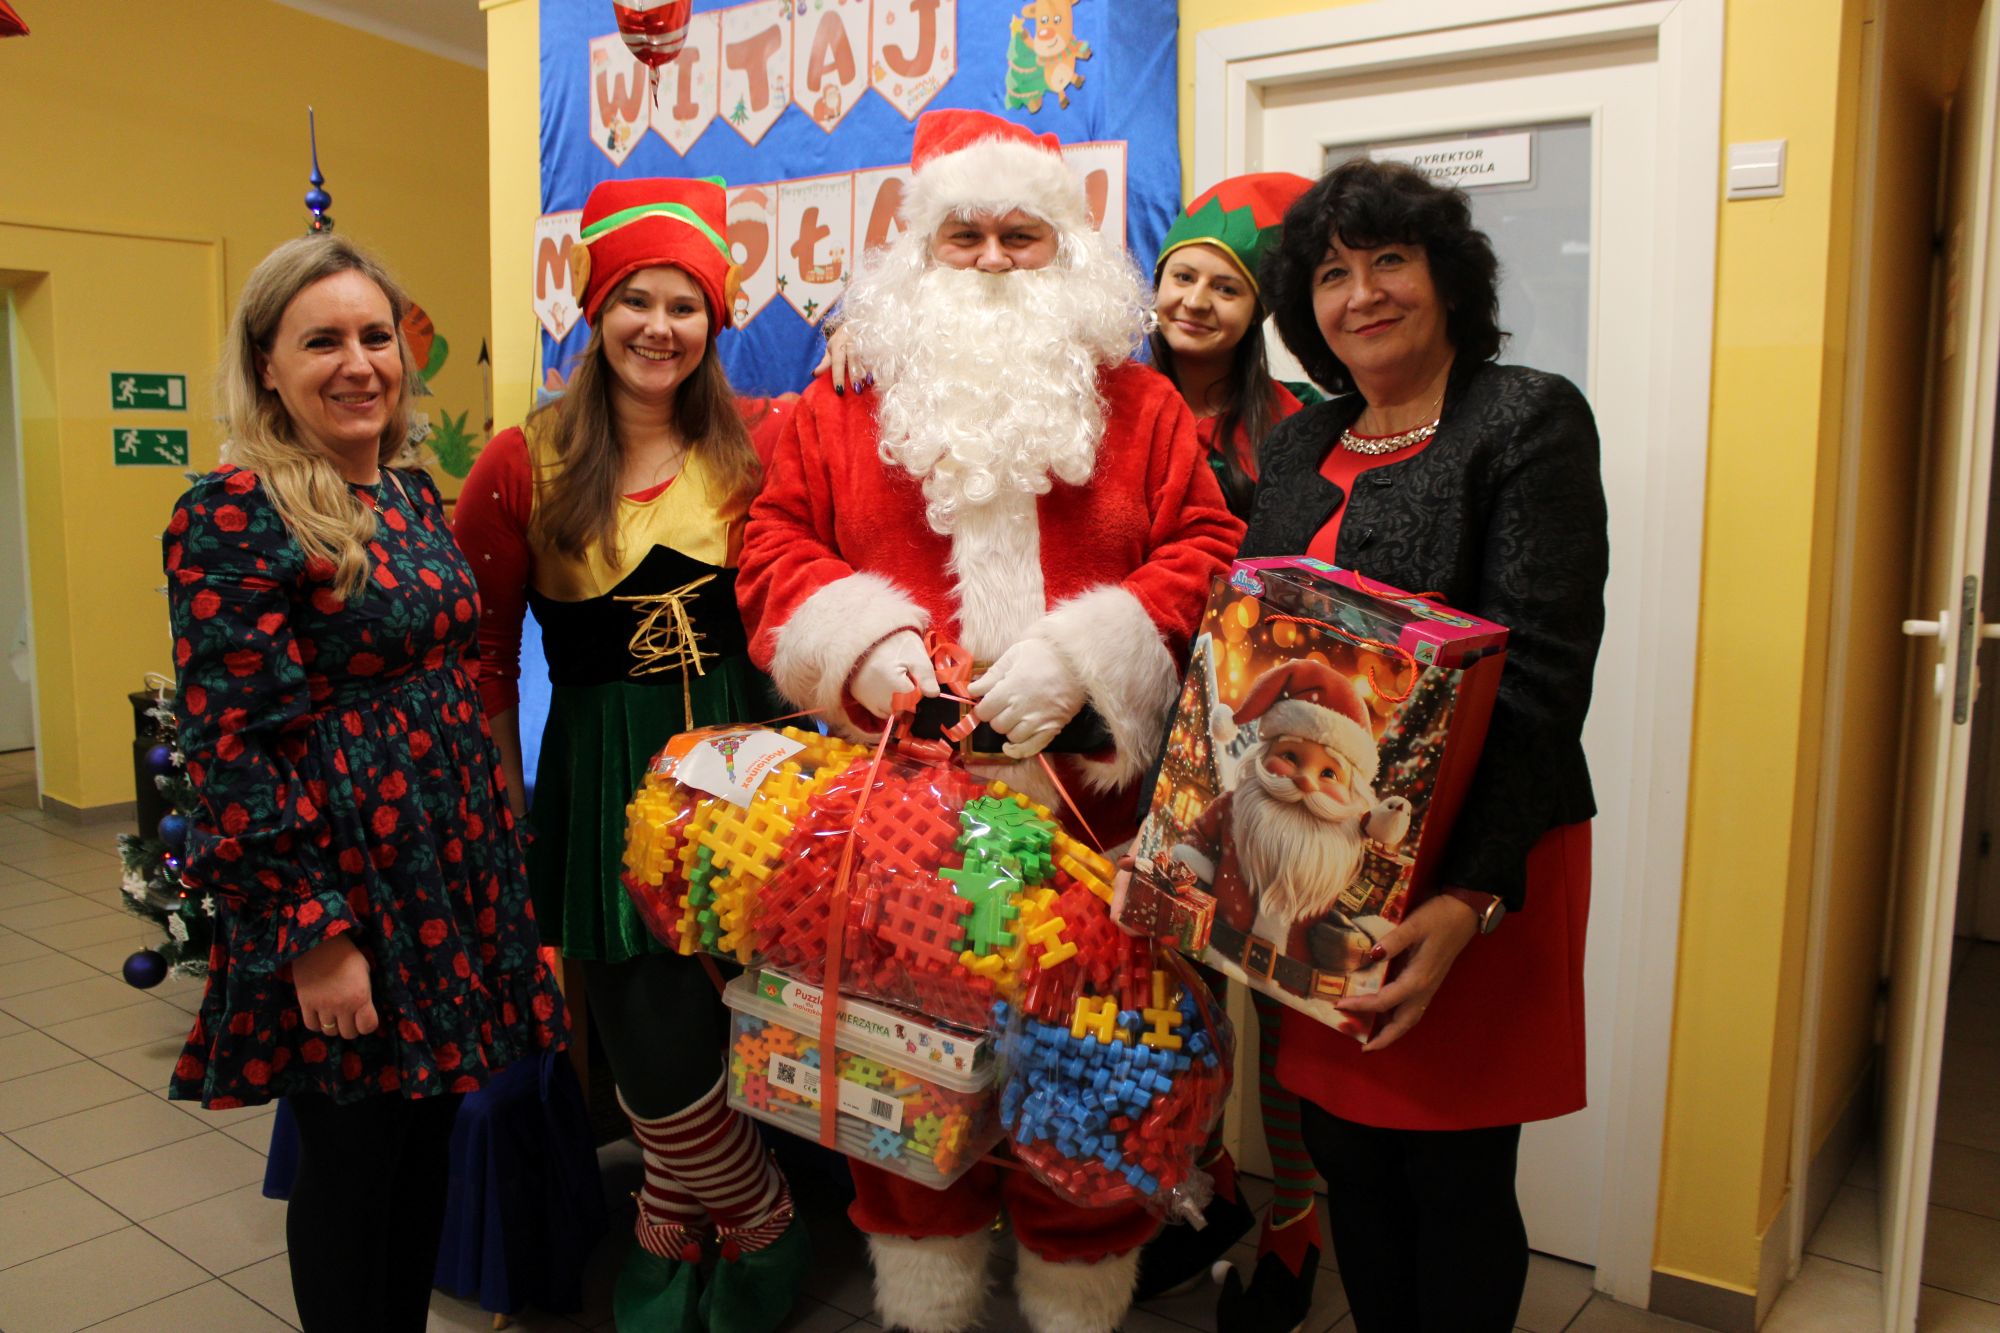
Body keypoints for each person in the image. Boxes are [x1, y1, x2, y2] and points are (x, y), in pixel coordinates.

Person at [738, 108, 1243, 1333]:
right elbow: (773, 546)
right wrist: (869, 646)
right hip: (897, 842)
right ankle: (926, 1313)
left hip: (1093, 844)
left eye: (1022, 235)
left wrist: (1088, 653)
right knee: (906, 1111)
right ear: (920, 250)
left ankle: (1076, 1313)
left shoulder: (1142, 408)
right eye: (962, 235)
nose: (992, 259)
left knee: (1092, 1102)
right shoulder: (840, 405)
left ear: (1068, 250)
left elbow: (1207, 548)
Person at [164, 233, 568, 1333]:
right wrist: (312, 933)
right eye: (322, 341)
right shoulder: (234, 509)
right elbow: (230, 745)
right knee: (351, 1166)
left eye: (376, 336)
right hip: (343, 892)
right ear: (267, 366)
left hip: (444, 879)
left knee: (426, 1145)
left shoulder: (406, 492)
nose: (359, 364)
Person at [1240, 156, 1607, 1332]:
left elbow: (1543, 677)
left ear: (1445, 277)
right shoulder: (1297, 444)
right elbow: (1245, 646)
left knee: (1452, 1170)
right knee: (1346, 1151)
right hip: (1316, 858)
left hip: (1474, 857)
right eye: (1330, 274)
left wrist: (1467, 896)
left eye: (1388, 259)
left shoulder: (1524, 417)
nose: (1361, 294)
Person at [453, 177, 806, 1333]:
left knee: (736, 1008)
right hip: (604, 774)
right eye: (635, 301)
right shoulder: (521, 462)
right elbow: (483, 658)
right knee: (643, 1028)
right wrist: (508, 803)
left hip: (747, 772)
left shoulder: (766, 441)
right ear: (594, 311)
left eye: (683, 305)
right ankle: (760, 1218)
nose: (659, 327)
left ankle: (671, 1217)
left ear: (715, 320)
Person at [1133, 171, 1335, 1333]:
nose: (1194, 302)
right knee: (1174, 986)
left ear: (1257, 309)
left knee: (1283, 991)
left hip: (1261, 745)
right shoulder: (1104, 401)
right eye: (1181, 277)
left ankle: (1296, 1220)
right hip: (1131, 739)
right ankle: (1198, 1189)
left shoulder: (1301, 423)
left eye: (1225, 286)